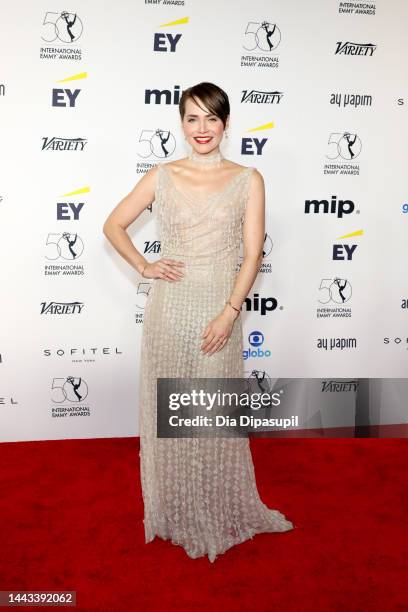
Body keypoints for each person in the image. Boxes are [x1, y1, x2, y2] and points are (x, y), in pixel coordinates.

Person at [103, 81, 295, 562]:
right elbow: (113, 224)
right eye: (192, 118)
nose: (202, 128)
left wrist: (230, 312)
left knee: (210, 416)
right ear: (182, 124)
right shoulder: (162, 175)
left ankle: (213, 505)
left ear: (226, 124)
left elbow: (252, 255)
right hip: (170, 308)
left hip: (218, 309)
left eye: (211, 118)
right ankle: (175, 509)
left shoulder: (249, 178)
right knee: (174, 416)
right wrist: (145, 267)